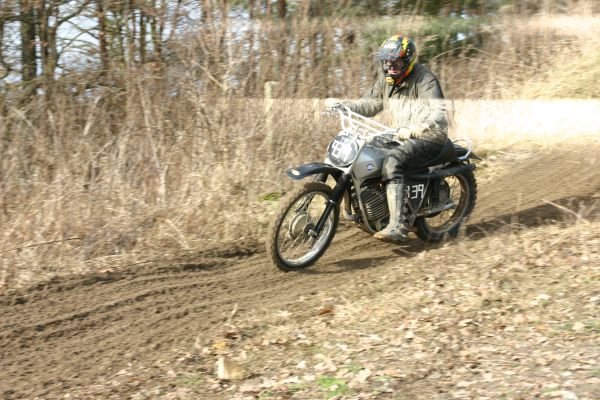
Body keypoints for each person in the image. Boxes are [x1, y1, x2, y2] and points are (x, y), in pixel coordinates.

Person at [325, 34, 449, 241]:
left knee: (393, 162)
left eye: (396, 62)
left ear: (408, 60)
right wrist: (343, 107)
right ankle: (373, 206)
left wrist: (420, 127)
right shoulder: (386, 81)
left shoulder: (424, 78)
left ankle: (397, 225)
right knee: (364, 152)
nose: (391, 67)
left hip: (429, 135)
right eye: (387, 62)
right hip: (400, 134)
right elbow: (369, 104)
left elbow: (438, 111)